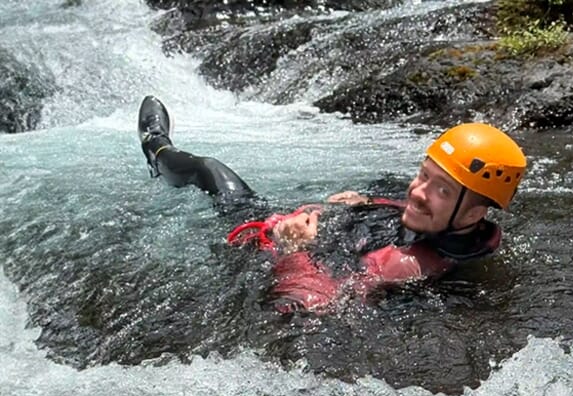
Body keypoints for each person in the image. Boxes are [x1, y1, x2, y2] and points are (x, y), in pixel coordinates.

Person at [137, 95, 527, 312]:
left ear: (475, 212)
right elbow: (405, 210)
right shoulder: (449, 228)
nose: (418, 191)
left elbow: (313, 305)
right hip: (316, 227)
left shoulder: (409, 267)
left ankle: (156, 146)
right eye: (423, 175)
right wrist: (369, 201)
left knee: (209, 171)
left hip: (276, 239)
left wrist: (294, 249)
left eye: (440, 189)